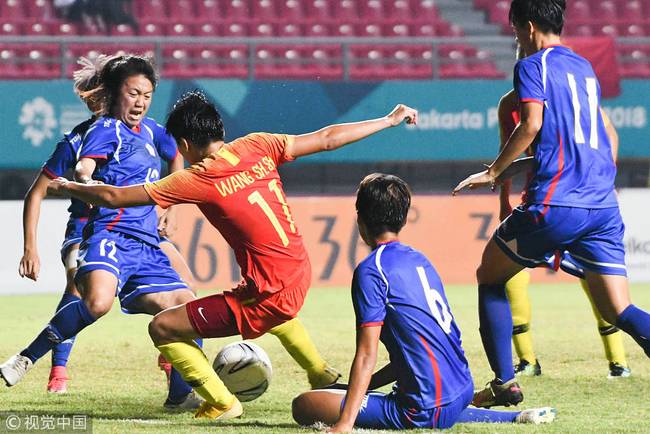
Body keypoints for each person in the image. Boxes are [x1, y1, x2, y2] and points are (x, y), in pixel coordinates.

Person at [44, 91, 418, 421]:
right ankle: (319, 371)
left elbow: (114, 197)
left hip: (270, 291)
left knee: (162, 327)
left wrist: (69, 186)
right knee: (268, 306)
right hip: (299, 272)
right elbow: (327, 139)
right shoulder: (258, 144)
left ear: (185, 143)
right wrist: (388, 120)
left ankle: (222, 402)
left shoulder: (198, 177)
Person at [453, 0, 650, 408]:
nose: (515, 39)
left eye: (514, 30)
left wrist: (493, 172)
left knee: (490, 275)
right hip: (602, 207)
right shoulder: (583, 69)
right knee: (618, 308)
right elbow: (604, 138)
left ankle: (504, 384)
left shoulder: (531, 66)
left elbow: (531, 125)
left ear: (528, 27)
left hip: (556, 205)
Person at [1, 55, 202, 410]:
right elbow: (68, 176)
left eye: (146, 95)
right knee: (90, 297)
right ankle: (45, 364)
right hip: (98, 230)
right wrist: (32, 245)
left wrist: (169, 206)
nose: (140, 102)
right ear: (113, 94)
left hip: (145, 237)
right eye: (133, 93)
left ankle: (180, 391)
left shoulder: (152, 131)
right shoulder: (95, 132)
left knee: (189, 304)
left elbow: (175, 158)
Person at [291, 173, 556, 431]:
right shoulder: (419, 260)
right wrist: (363, 387)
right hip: (462, 389)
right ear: (404, 219)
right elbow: (418, 346)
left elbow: (366, 354)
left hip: (425, 407)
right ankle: (516, 417)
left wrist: (344, 424)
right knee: (349, 392)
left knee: (304, 404)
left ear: (360, 218)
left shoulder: (371, 271)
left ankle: (405, 413)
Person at [497, 48, 631, 379]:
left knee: (592, 280)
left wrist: (604, 176)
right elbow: (506, 153)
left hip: (565, 200)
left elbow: (609, 132)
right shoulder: (509, 105)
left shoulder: (562, 89)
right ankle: (527, 360)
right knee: (510, 276)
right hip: (542, 198)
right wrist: (503, 201)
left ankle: (618, 362)